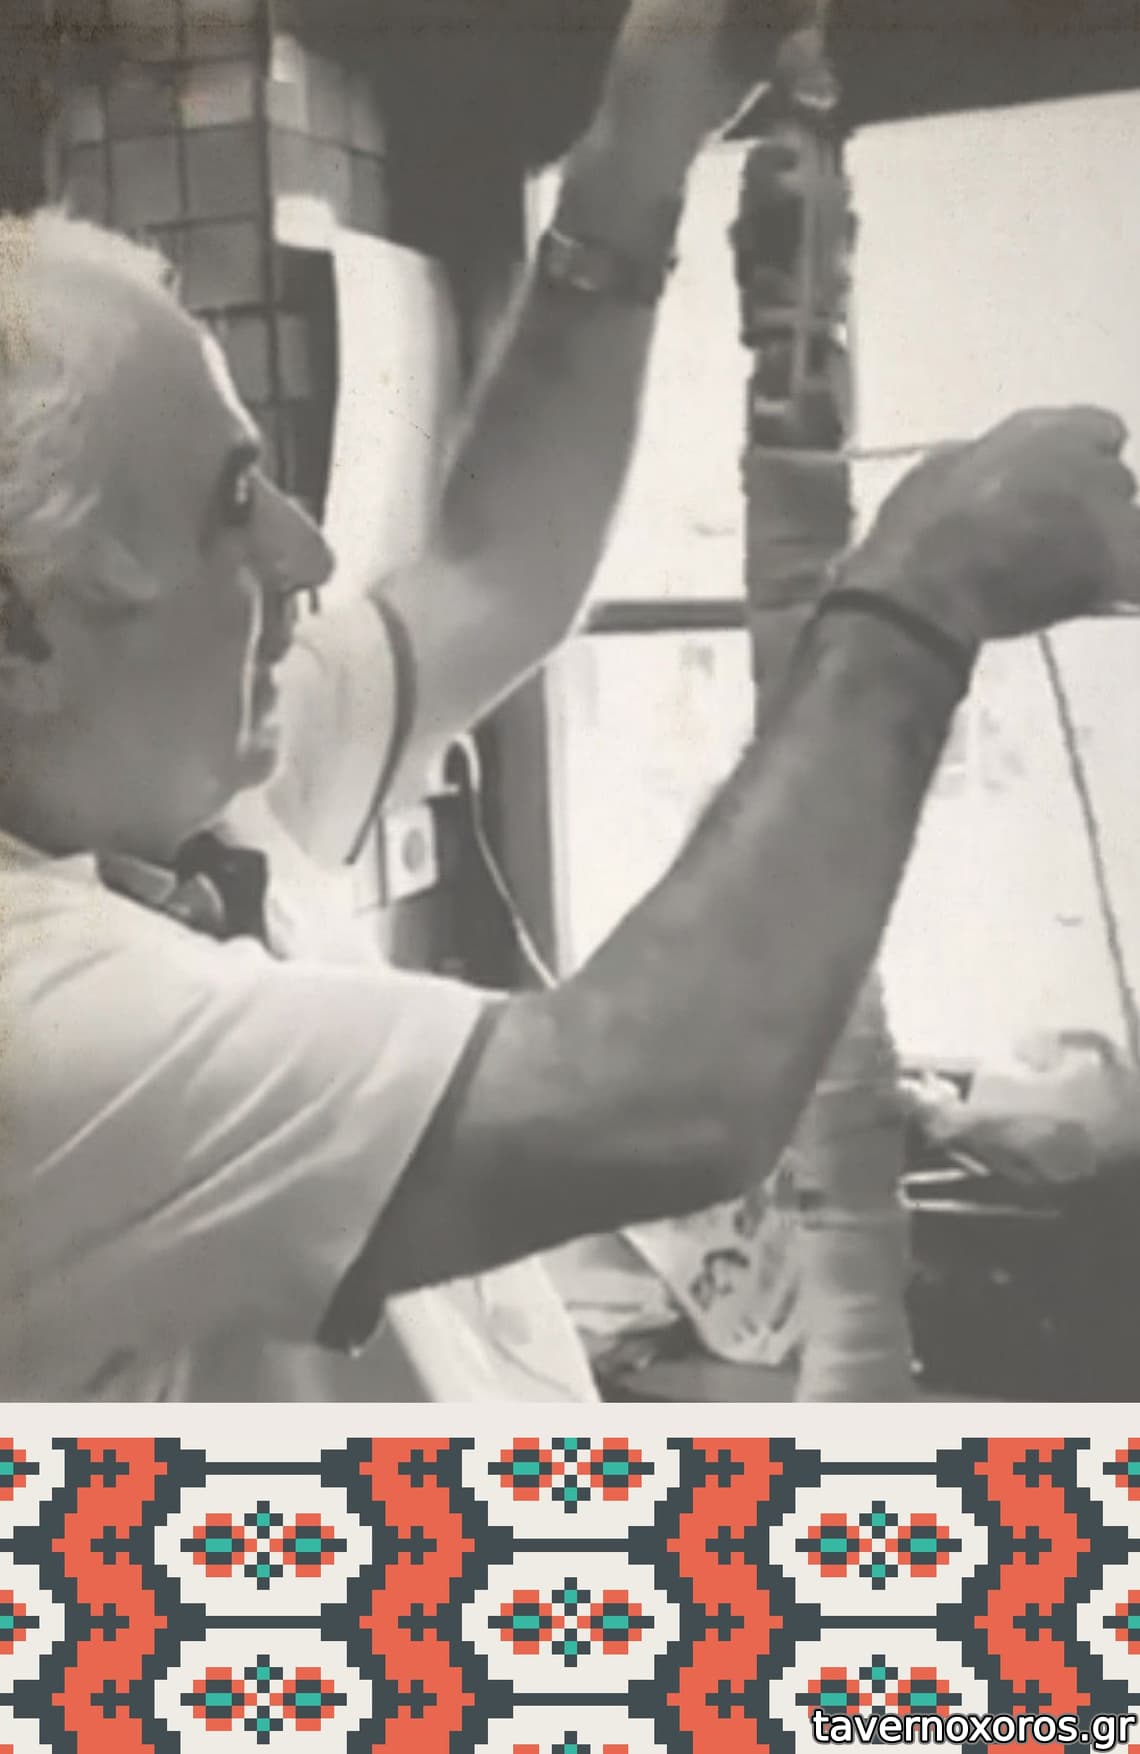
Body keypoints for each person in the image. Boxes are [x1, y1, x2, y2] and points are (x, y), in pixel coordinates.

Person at [3, 1, 1140, 1403]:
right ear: (24, 637)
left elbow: (492, 577)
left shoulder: (169, 785)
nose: (306, 552)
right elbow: (664, 1092)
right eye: (232, 504)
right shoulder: (35, 1031)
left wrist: (635, 155)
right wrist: (920, 595)